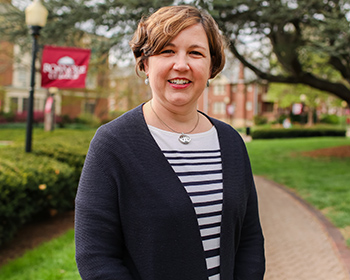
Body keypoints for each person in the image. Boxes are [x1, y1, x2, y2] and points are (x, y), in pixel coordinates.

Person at [75, 5, 265, 280]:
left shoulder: (231, 142)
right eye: (167, 51)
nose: (181, 64)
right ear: (144, 62)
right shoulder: (112, 144)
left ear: (211, 66)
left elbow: (249, 238)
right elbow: (96, 256)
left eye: (196, 53)